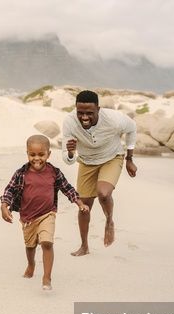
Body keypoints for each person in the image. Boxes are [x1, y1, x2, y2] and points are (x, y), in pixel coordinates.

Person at [0, 135, 89, 290]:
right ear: (27, 153)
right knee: (30, 246)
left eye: (41, 155)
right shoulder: (21, 173)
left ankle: (47, 277)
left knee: (47, 243)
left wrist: (79, 203)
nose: (36, 158)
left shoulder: (54, 172)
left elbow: (67, 188)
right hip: (27, 218)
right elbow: (10, 190)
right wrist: (4, 206)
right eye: (32, 154)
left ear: (48, 154)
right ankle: (31, 264)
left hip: (47, 214)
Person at [62, 90, 137, 256]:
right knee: (83, 207)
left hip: (112, 157)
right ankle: (84, 246)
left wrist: (129, 159)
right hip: (87, 162)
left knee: (103, 193)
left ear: (98, 109)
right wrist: (69, 153)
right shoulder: (69, 122)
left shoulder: (114, 119)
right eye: (80, 113)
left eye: (89, 113)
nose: (84, 117)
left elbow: (132, 128)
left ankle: (109, 220)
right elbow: (67, 160)